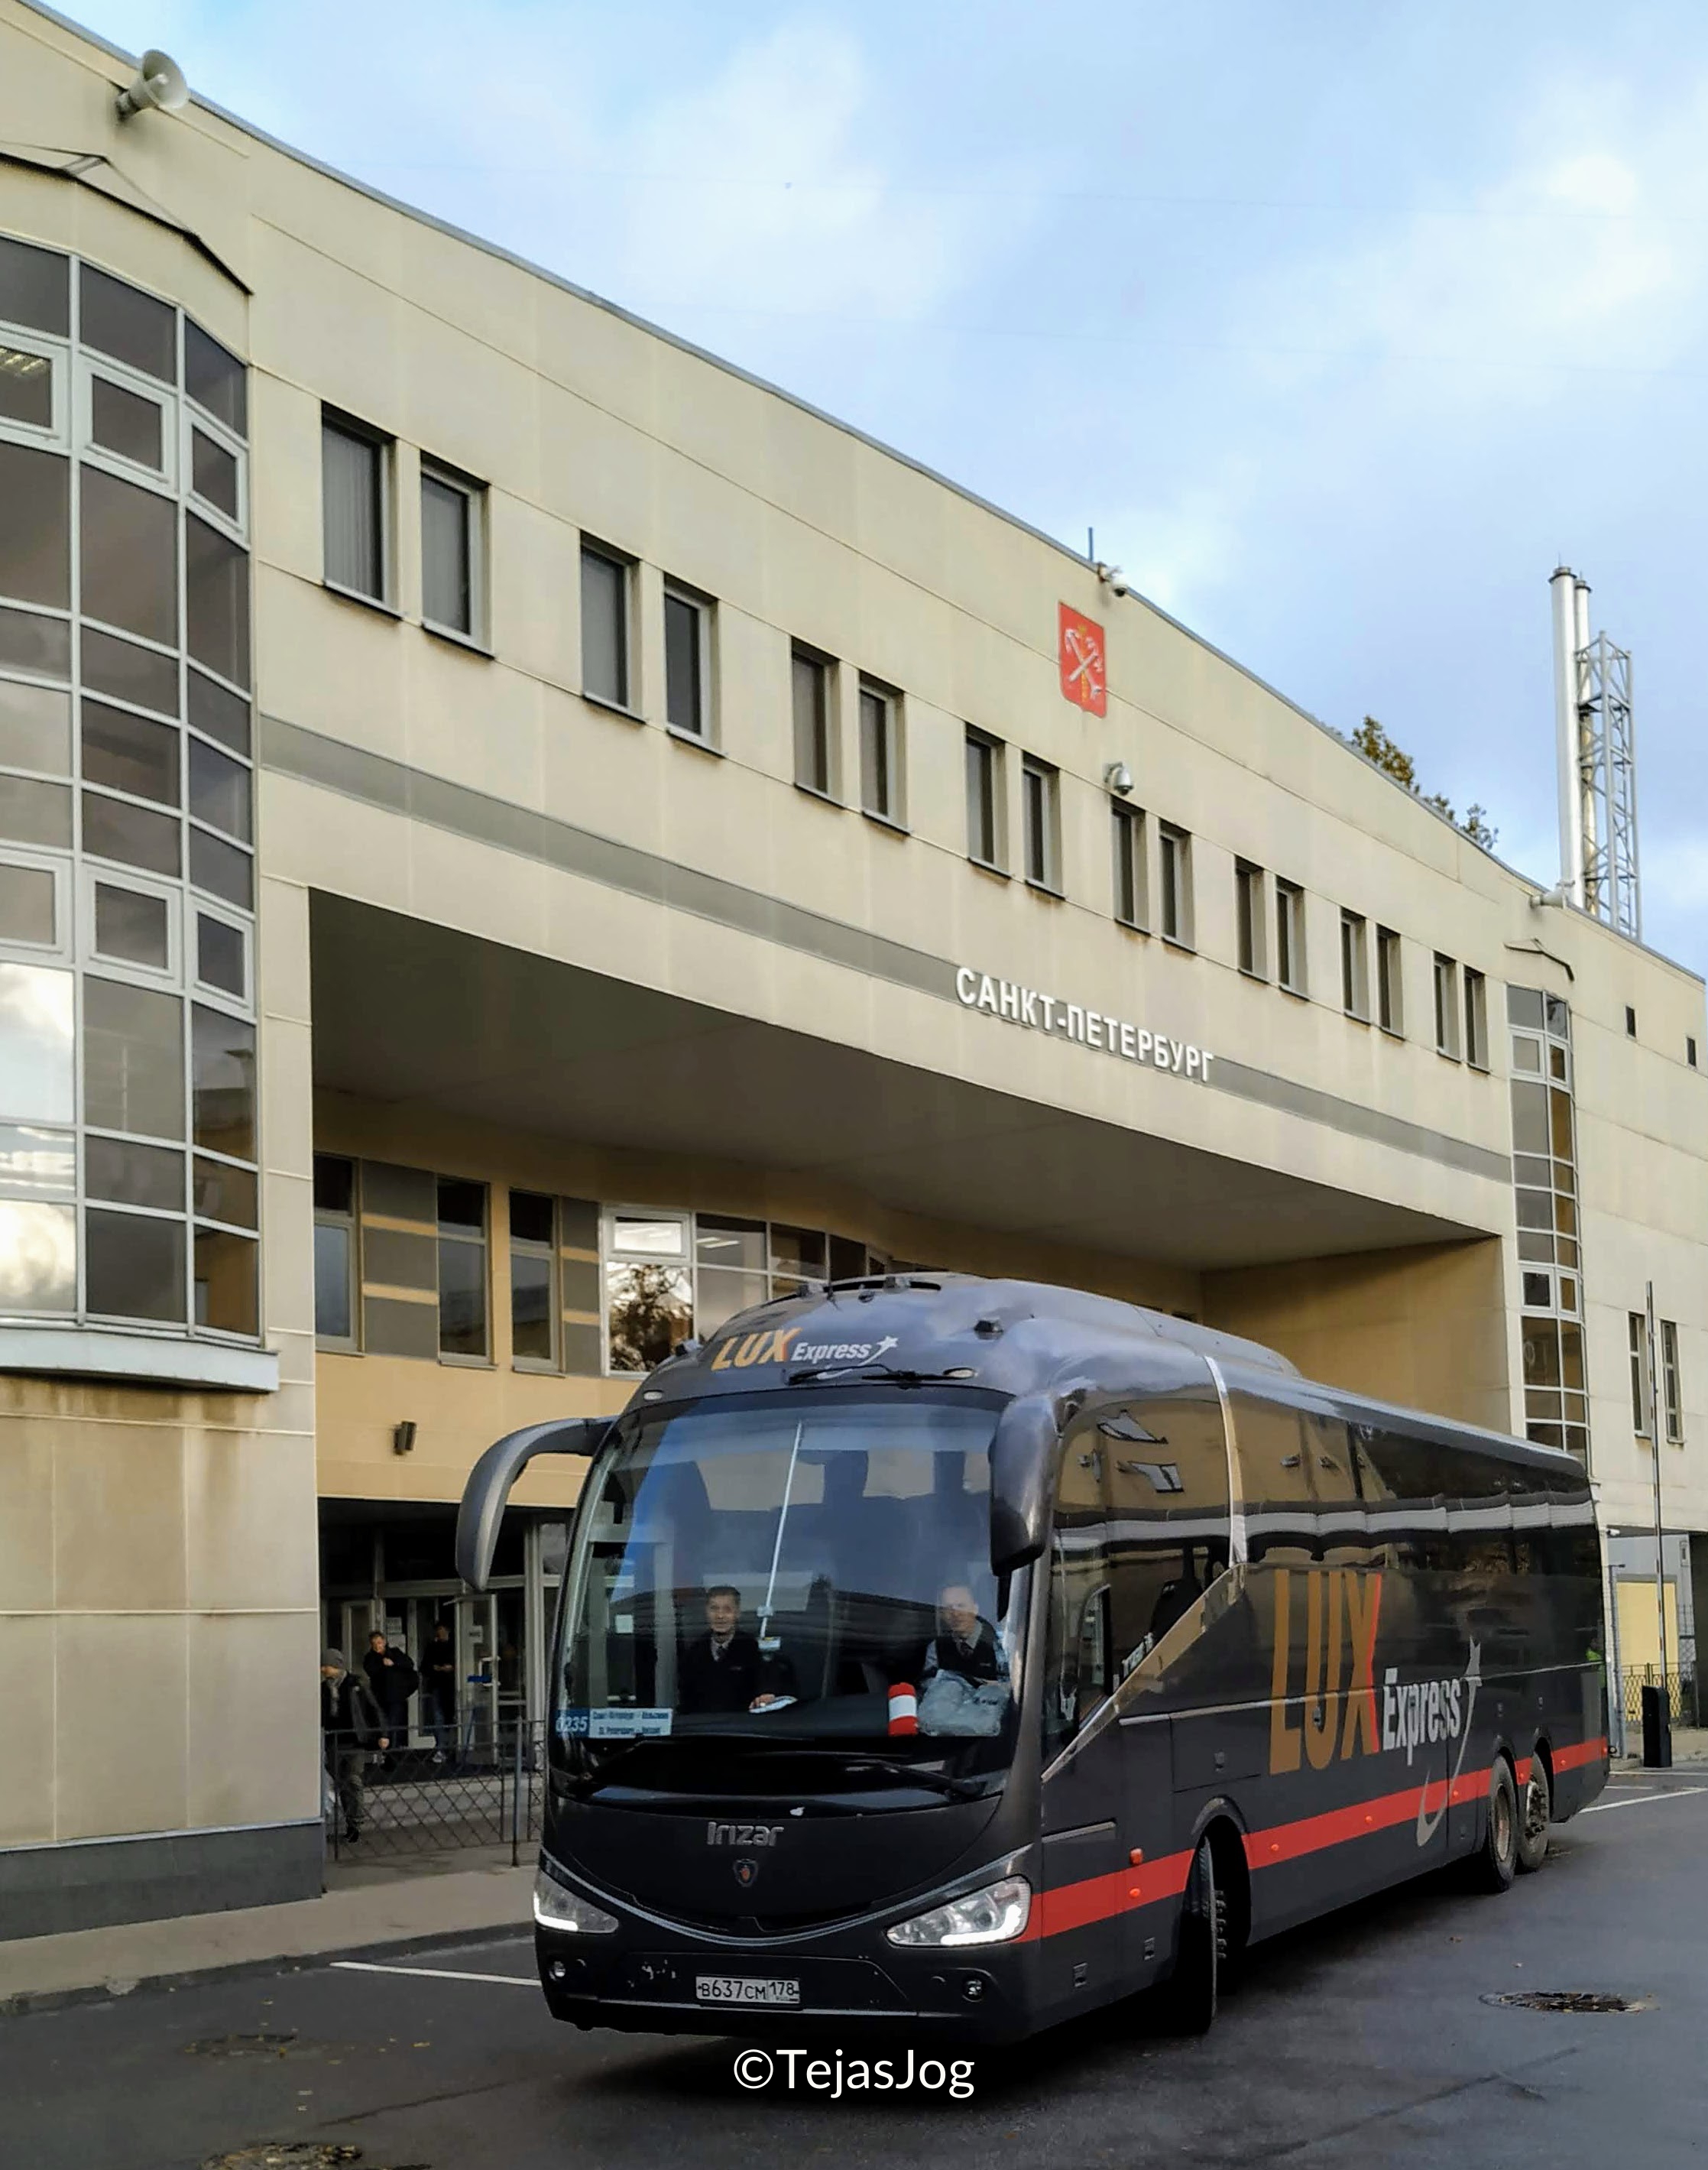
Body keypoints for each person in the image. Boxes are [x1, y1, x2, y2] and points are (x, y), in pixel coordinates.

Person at [679, 1585, 796, 1714]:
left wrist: (767, 1694)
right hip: (705, 1724)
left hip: (743, 1723)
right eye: (714, 1609)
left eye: (727, 1610)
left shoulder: (754, 1648)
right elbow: (686, 1700)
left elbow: (769, 1680)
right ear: (706, 1612)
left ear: (738, 1613)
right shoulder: (694, 1651)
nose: (720, 1616)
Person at [320, 1649, 388, 1843]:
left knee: (353, 1780)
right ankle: (350, 1822)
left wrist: (383, 1734)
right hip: (333, 1742)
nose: (323, 1669)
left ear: (337, 1665)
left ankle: (356, 1823)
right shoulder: (324, 1688)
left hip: (355, 1741)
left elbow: (374, 1708)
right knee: (342, 1784)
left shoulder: (355, 1684)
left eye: (326, 1665)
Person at [363, 1629, 417, 1769]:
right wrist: (382, 1664)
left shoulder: (395, 1653)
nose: (378, 1646)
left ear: (384, 1642)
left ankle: (392, 1756)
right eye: (374, 1644)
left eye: (379, 1643)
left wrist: (393, 1663)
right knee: (382, 1725)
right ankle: (384, 1754)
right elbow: (370, 1670)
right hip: (380, 1697)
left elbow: (409, 1664)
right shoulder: (370, 1658)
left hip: (396, 1696)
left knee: (394, 1724)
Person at [423, 1619, 458, 1765]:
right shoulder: (432, 1647)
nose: (440, 1633)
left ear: (448, 1631)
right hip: (437, 1686)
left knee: (454, 1716)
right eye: (438, 1630)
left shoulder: (456, 1645)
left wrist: (453, 1668)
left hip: (454, 1686)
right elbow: (424, 1667)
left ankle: (455, 1748)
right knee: (438, 1718)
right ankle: (441, 1748)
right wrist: (435, 1668)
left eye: (443, 1630)